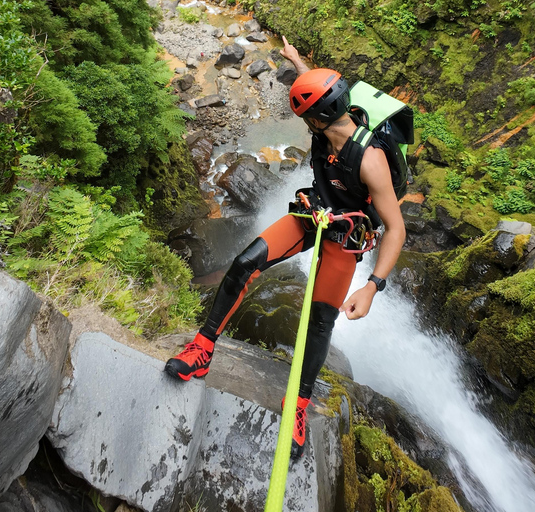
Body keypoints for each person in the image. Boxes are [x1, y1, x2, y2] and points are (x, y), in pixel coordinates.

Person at [165, 37, 406, 459]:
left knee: (320, 320)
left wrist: (373, 286)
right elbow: (317, 92)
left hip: (344, 236)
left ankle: (298, 403)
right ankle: (202, 348)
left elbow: (396, 228)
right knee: (244, 263)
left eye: (306, 116)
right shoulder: (327, 122)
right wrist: (295, 60)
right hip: (313, 214)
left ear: (317, 118)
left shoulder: (370, 160)